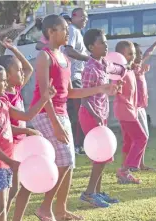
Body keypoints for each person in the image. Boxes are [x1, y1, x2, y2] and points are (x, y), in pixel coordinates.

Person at [27, 15, 119, 221]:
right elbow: (45, 95)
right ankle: (45, 208)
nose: (68, 33)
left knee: (70, 164)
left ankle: (60, 211)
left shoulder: (66, 59)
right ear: (51, 32)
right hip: (45, 113)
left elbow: (69, 93)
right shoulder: (45, 56)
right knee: (65, 160)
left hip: (61, 113)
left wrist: (102, 88)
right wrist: (56, 125)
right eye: (64, 29)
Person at [0, 63, 55, 221]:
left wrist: (44, 98)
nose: (6, 83)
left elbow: (26, 116)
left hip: (6, 161)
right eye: (3, 81)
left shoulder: (2, 102)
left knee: (4, 203)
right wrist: (10, 162)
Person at [0, 38, 42, 218]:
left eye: (20, 70)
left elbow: (29, 68)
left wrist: (13, 49)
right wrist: (28, 131)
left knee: (19, 187)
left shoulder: (16, 89)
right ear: (6, 76)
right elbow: (6, 128)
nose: (22, 73)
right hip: (10, 147)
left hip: (21, 145)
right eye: (17, 71)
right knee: (9, 191)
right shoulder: (3, 98)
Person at [78, 29, 125, 207]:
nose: (106, 46)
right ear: (91, 47)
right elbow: (84, 97)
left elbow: (120, 70)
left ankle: (97, 192)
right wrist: (96, 115)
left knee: (103, 154)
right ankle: (89, 193)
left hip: (100, 114)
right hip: (91, 115)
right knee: (100, 155)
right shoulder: (90, 68)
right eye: (102, 43)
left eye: (106, 42)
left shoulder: (104, 64)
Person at [114, 41, 149, 185]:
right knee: (141, 138)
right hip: (125, 111)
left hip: (130, 110)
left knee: (129, 141)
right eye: (130, 54)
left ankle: (124, 173)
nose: (133, 56)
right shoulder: (119, 70)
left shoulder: (129, 69)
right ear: (120, 55)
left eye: (133, 53)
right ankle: (125, 170)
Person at [131, 37, 156, 171]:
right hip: (134, 108)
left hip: (141, 107)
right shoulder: (130, 70)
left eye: (140, 53)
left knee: (144, 136)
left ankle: (140, 163)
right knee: (140, 137)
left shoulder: (139, 67)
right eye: (136, 54)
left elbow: (147, 54)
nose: (140, 56)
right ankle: (134, 164)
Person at [63, 8, 90, 155]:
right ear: (74, 17)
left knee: (79, 112)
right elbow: (69, 51)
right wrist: (89, 59)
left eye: (86, 17)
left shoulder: (77, 31)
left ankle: (77, 144)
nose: (85, 20)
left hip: (77, 77)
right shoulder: (72, 30)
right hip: (73, 79)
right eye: (82, 17)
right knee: (78, 113)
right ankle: (77, 146)